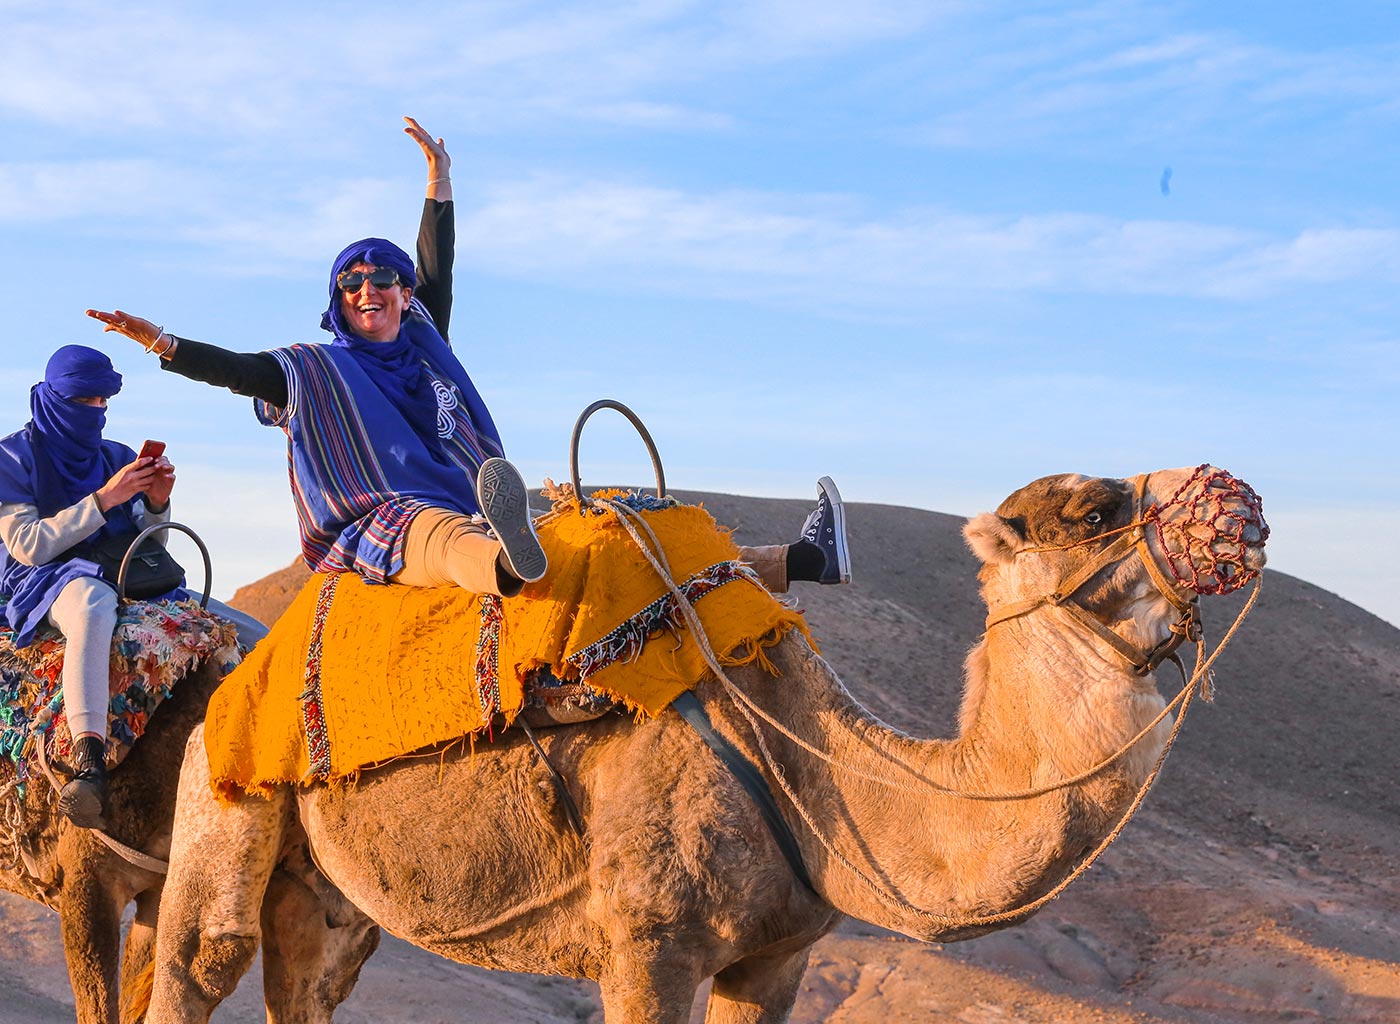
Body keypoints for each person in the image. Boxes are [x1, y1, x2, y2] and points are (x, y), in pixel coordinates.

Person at [87, 116, 848, 609]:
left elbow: (436, 266)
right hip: (384, 518)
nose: (369, 290)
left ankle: (803, 560)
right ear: (337, 299)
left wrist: (438, 181)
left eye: (382, 278)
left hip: (478, 498)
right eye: (351, 282)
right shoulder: (315, 372)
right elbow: (239, 370)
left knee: (614, 541)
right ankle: (508, 571)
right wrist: (162, 342)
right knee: (436, 535)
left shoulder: (424, 339)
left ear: (401, 292)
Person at [0, 346, 177, 828]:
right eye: (85, 400)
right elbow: (28, 544)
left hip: (121, 567)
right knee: (92, 605)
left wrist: (157, 504)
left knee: (239, 628)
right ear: (55, 397)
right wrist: (106, 498)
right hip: (45, 575)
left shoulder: (115, 456)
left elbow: (150, 541)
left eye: (103, 400)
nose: (96, 411)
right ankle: (89, 760)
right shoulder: (13, 457)